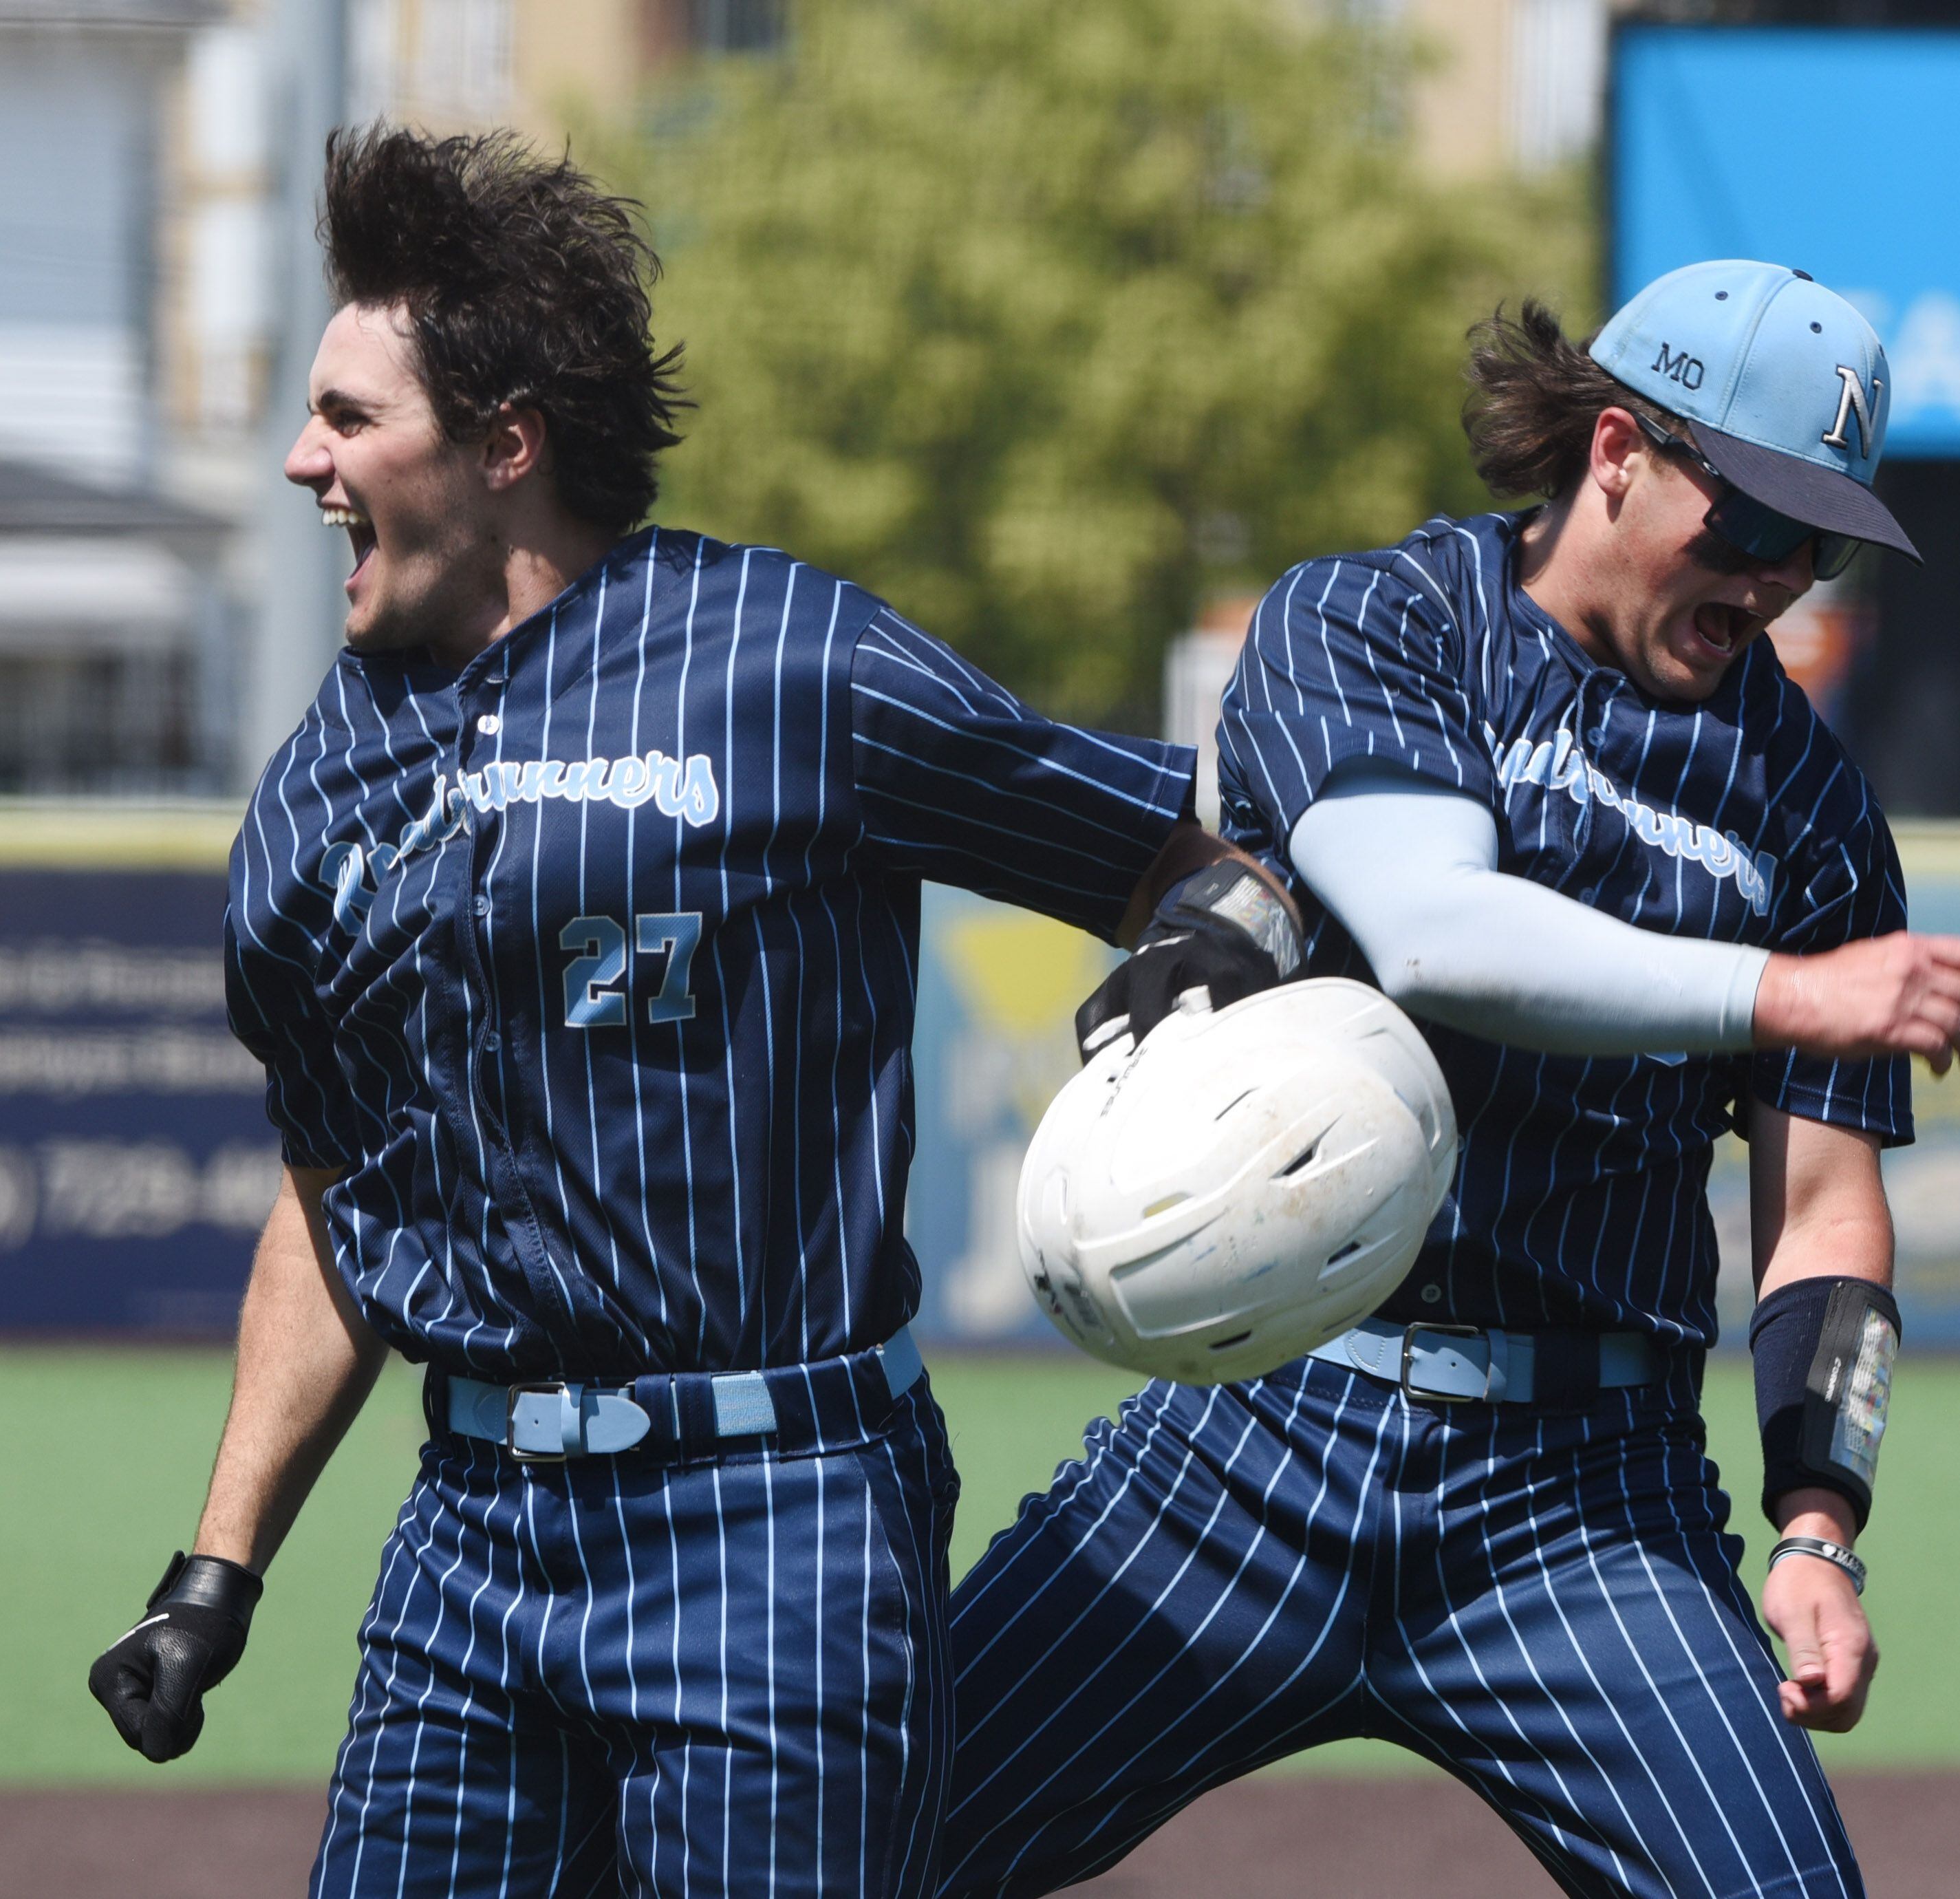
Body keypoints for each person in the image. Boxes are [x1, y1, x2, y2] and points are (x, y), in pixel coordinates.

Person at [85, 127, 1296, 1898]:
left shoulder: (793, 664)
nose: (300, 458)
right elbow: (337, 1195)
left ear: (505, 448)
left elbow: (1190, 869)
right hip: (473, 1537)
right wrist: (220, 1570)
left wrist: (1225, 956)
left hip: (783, 1528)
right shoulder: (312, 795)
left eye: (349, 417)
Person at [936, 261, 1960, 1899]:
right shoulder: (1378, 621)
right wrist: (1785, 989)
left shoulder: (1806, 799)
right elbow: (1430, 931)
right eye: (1751, 515)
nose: (1779, 572)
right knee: (874, 1841)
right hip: (1265, 1438)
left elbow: (1824, 1208)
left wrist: (1813, 1532)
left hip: (1590, 1496)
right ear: (1617, 450)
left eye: (1821, 539)